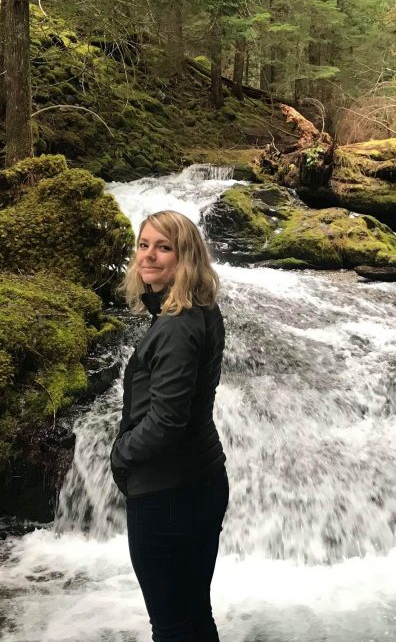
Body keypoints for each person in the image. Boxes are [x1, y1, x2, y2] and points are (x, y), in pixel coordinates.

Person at [111, 210, 229, 642]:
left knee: (172, 628)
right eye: (144, 245)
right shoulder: (199, 310)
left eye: (164, 248)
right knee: (194, 618)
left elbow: (166, 421)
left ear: (185, 257)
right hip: (199, 481)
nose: (149, 256)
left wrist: (120, 456)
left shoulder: (176, 326)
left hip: (167, 495)